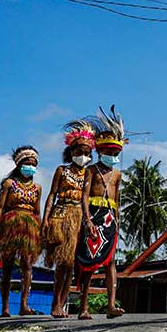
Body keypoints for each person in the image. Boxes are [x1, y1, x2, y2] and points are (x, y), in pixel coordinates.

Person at [42, 120, 95, 318]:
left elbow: (86, 198)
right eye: (80, 152)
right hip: (60, 215)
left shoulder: (88, 173)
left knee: (72, 265)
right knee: (62, 263)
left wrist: (88, 220)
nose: (84, 156)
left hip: (78, 218)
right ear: (72, 151)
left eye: (88, 153)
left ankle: (62, 305)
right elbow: (51, 195)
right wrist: (46, 218)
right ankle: (55, 304)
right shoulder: (61, 171)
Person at [77, 107, 126, 320]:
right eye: (109, 153)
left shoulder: (117, 175)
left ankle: (111, 305)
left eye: (116, 154)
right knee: (88, 262)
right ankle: (83, 307)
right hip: (93, 217)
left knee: (111, 261)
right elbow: (84, 196)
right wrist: (87, 219)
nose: (113, 157)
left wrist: (118, 221)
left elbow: (119, 200)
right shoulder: (91, 171)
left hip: (109, 219)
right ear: (100, 152)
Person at [0, 146, 42, 317]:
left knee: (27, 265)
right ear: (19, 164)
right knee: (8, 266)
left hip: (30, 227)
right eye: (27, 163)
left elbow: (37, 211)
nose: (30, 166)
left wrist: (39, 233)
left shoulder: (37, 188)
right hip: (10, 224)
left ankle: (24, 305)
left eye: (33, 164)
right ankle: (5, 307)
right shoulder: (9, 184)